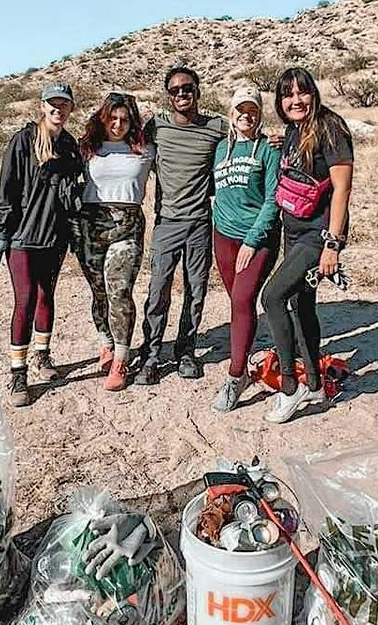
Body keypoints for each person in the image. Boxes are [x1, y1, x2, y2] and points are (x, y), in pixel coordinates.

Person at [260, 66, 354, 424]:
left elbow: (342, 189)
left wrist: (333, 244)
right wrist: (279, 143)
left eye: (302, 92)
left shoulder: (331, 128)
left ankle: (289, 385)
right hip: (293, 229)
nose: (295, 100)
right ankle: (313, 382)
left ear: (314, 93)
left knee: (272, 297)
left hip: (318, 234)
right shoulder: (293, 130)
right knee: (300, 303)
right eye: (288, 95)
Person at [0, 84, 84, 407]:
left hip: (55, 238)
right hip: (23, 238)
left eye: (64, 104)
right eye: (53, 103)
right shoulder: (23, 140)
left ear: (71, 108)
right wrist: (0, 232)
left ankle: (43, 356)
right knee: (25, 300)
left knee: (47, 297)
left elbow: (74, 193)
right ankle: (18, 372)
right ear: (42, 106)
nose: (59, 109)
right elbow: (7, 189)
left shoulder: (70, 145)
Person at [136, 65, 228, 385]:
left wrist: (272, 140)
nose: (181, 94)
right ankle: (150, 354)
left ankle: (185, 350)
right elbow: (121, 140)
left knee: (197, 290)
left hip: (201, 222)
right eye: (174, 90)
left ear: (198, 91)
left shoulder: (217, 127)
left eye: (187, 88)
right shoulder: (156, 126)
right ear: (168, 96)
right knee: (158, 289)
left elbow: (245, 137)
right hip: (167, 223)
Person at [73, 92, 155, 393]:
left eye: (125, 119)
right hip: (90, 226)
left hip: (128, 226)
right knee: (99, 292)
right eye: (113, 118)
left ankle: (121, 358)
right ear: (103, 118)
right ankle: (106, 341)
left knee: (119, 291)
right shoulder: (87, 149)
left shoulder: (145, 150)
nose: (118, 125)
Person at [209, 87, 280, 413]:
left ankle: (235, 377)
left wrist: (253, 241)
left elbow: (272, 200)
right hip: (222, 237)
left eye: (252, 109)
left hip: (257, 238)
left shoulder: (268, 149)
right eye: (240, 109)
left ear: (260, 113)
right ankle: (245, 357)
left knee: (242, 299)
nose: (246, 115)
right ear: (231, 113)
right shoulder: (221, 148)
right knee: (238, 303)